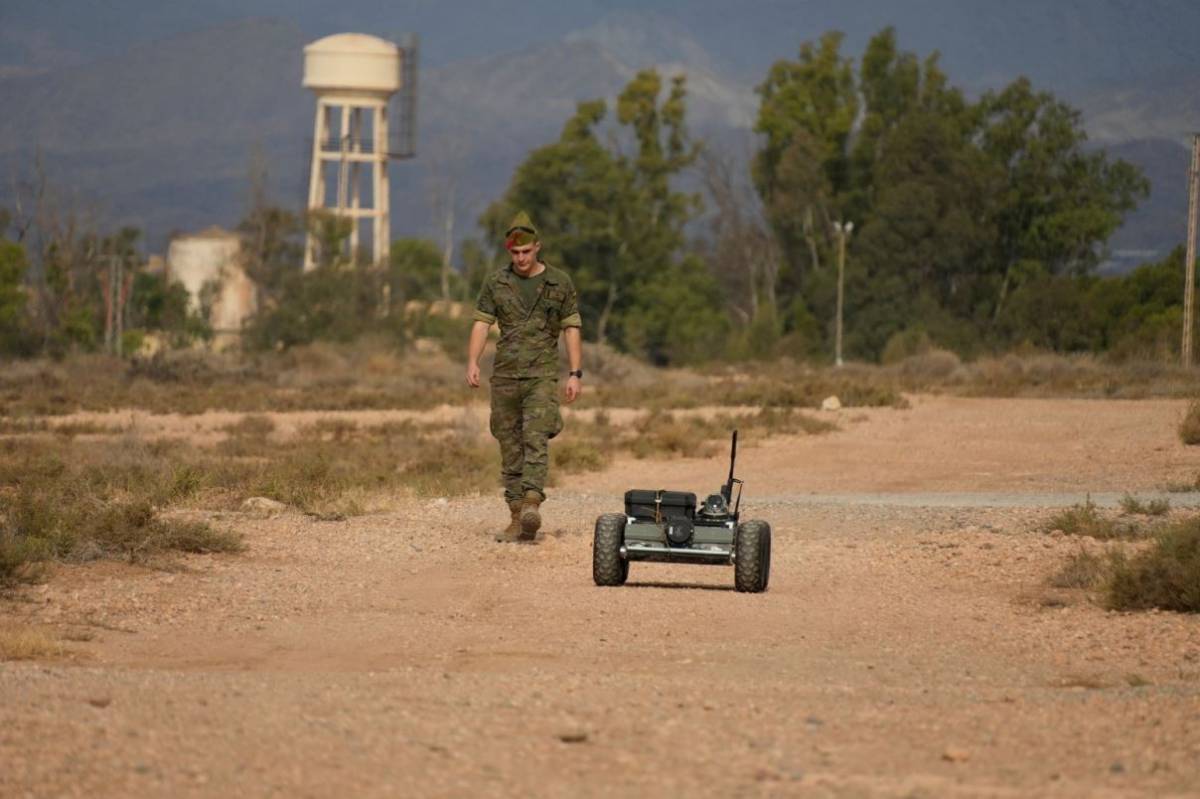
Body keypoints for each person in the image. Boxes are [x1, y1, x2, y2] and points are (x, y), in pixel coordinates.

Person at [466, 212, 583, 542]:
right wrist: (472, 361)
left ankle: (532, 501)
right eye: (515, 253)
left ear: (537, 248)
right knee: (509, 444)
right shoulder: (495, 282)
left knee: (536, 437)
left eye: (526, 252)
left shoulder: (559, 283)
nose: (520, 258)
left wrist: (575, 373)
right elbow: (481, 323)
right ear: (508, 251)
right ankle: (517, 515)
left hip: (541, 376)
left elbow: (571, 327)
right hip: (504, 377)